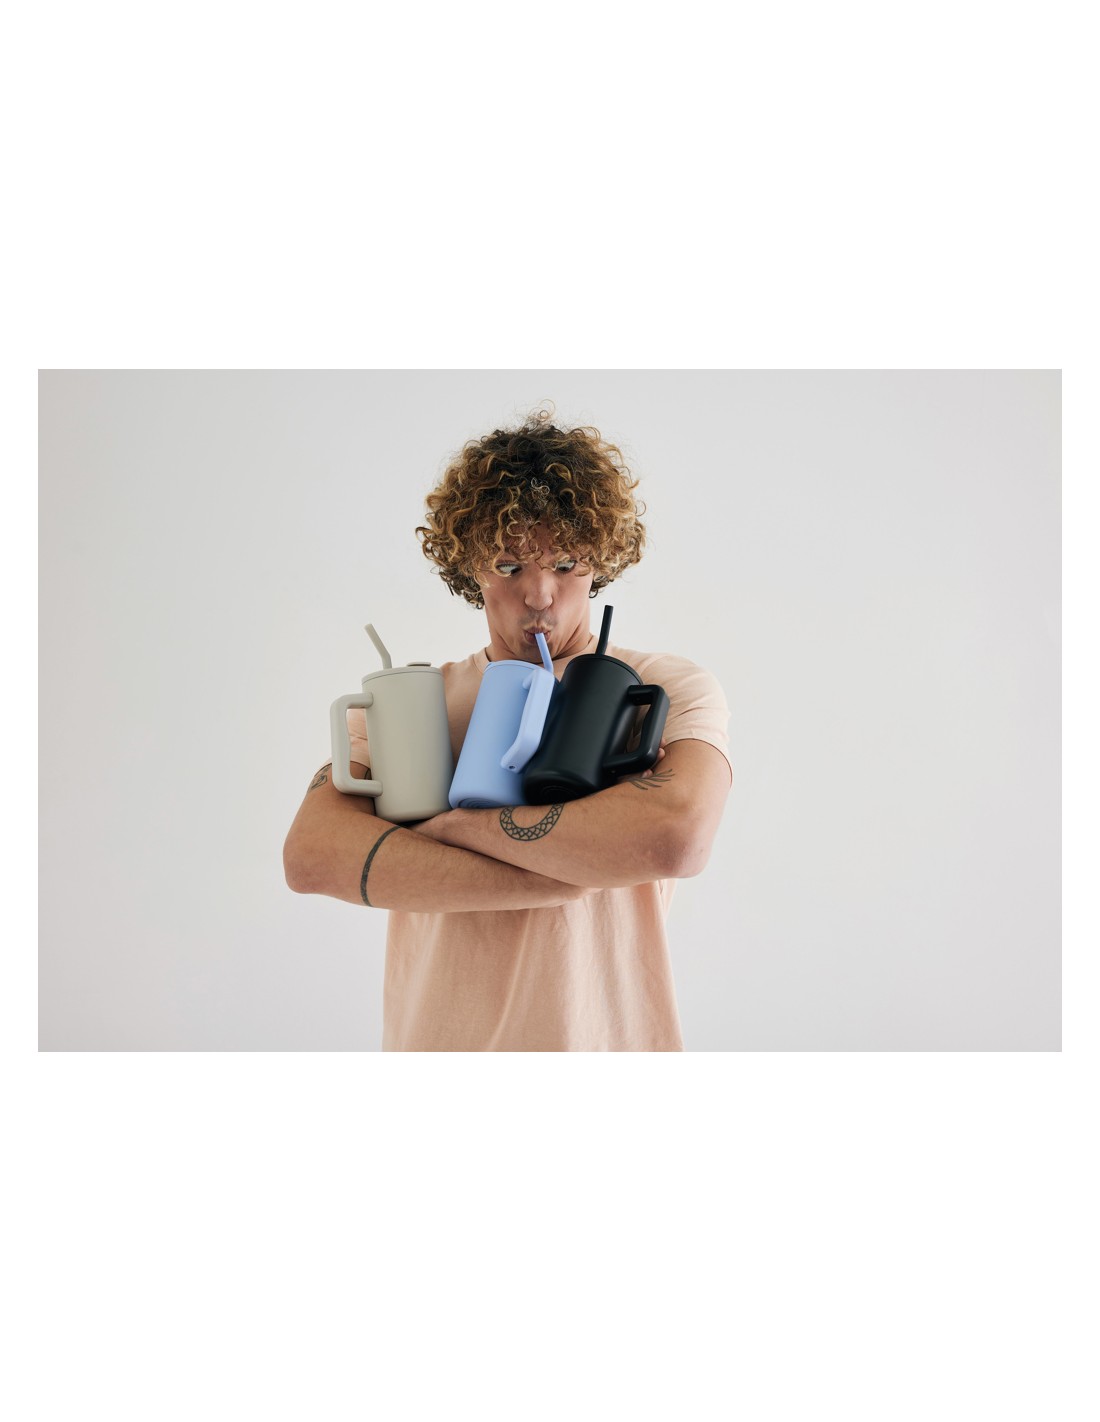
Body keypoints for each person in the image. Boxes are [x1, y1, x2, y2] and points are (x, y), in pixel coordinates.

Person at [283, 410, 732, 1050]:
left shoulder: (658, 687)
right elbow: (312, 856)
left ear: (600, 560)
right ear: (471, 566)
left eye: (567, 563)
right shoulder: (415, 702)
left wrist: (454, 828)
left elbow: (677, 838)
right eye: (509, 563)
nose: (540, 594)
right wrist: (574, 867)